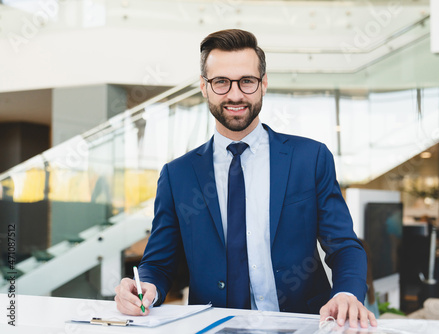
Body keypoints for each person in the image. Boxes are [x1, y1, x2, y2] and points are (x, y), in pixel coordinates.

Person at [115, 29, 377, 328]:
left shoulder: (310, 158)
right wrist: (146, 285)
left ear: (263, 83)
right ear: (204, 86)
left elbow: (343, 245)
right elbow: (159, 264)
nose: (235, 95)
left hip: (302, 323)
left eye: (247, 81)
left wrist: (347, 292)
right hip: (214, 326)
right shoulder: (178, 175)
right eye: (221, 82)